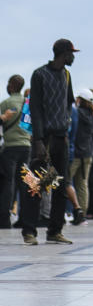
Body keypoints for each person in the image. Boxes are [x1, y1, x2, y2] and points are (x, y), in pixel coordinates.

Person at [21, 39, 79, 245]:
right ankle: (29, 231)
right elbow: (35, 108)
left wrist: (65, 129)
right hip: (43, 139)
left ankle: (55, 230)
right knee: (34, 185)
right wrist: (37, 140)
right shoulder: (39, 75)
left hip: (60, 139)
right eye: (71, 53)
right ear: (63, 54)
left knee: (60, 186)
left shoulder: (66, 74)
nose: (73, 57)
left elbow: (68, 103)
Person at [0, 75, 31, 229]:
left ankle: (4, 219)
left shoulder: (6, 103)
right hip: (26, 146)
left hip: (10, 147)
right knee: (24, 183)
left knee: (8, 182)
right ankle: (25, 219)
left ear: (11, 86)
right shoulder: (27, 104)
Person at [68, 88, 93, 225]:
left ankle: (70, 210)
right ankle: (82, 215)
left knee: (65, 182)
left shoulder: (76, 112)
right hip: (88, 154)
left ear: (79, 99)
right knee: (82, 185)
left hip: (75, 154)